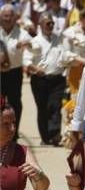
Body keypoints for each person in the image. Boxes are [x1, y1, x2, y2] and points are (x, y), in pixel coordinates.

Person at [22, 13, 68, 146]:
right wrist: (36, 69)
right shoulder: (34, 42)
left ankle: (55, 135)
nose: (51, 25)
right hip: (40, 80)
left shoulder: (58, 39)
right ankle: (45, 137)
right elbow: (26, 61)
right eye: (48, 23)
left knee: (55, 106)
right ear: (40, 25)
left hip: (58, 79)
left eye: (52, 23)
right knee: (43, 108)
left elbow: (64, 54)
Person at [0, 4, 30, 127]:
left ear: (15, 18)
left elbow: (31, 45)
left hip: (14, 73)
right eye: (5, 16)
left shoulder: (22, 34)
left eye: (10, 16)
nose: (7, 18)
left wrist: (26, 44)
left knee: (14, 103)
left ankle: (14, 132)